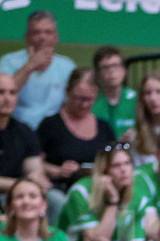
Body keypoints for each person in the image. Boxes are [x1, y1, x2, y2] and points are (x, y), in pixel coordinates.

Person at [57, 142, 157, 241]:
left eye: (127, 163)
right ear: (104, 171)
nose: (124, 170)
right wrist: (112, 203)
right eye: (116, 166)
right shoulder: (82, 192)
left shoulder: (135, 194)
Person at [36, 68, 115, 206]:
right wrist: (58, 171)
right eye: (79, 98)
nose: (84, 105)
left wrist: (127, 143)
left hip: (97, 190)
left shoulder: (103, 127)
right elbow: (33, 162)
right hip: (61, 190)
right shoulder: (50, 125)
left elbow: (116, 151)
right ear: (67, 92)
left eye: (90, 100)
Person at [0, 11, 76, 131]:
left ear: (56, 37)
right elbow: (4, 95)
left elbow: (72, 106)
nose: (42, 37)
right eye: (36, 32)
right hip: (15, 128)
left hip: (53, 131)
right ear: (27, 37)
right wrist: (30, 66)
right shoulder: (9, 61)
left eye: (48, 32)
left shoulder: (67, 66)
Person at [0, 73, 50, 196]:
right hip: (18, 189)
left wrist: (35, 179)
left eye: (12, 93)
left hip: (19, 193)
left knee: (54, 199)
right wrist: (22, 184)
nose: (7, 98)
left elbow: (35, 169)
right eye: (1, 92)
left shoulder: (24, 130)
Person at [91, 46, 136, 141]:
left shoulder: (137, 100)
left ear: (124, 70)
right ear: (97, 74)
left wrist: (137, 135)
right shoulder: (90, 102)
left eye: (115, 66)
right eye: (105, 67)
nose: (111, 72)